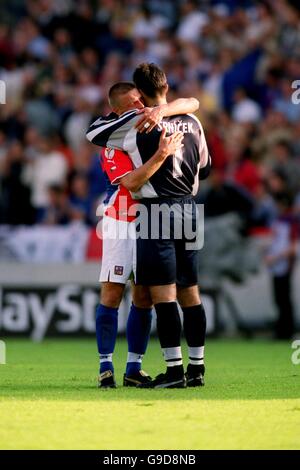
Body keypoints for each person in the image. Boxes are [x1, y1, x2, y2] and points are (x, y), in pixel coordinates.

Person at [87, 63, 211, 389]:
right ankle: (196, 368)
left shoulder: (136, 125)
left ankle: (173, 372)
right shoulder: (194, 122)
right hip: (190, 208)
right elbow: (206, 166)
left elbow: (93, 133)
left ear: (140, 94)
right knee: (191, 292)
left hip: (155, 211)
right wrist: (168, 109)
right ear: (167, 84)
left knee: (161, 295)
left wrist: (157, 116)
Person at [265, 192, 298, 340]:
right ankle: (281, 329)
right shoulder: (279, 220)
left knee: (284, 299)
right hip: (276, 264)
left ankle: (287, 331)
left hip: (284, 264)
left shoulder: (292, 221)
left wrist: (276, 257)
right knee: (278, 298)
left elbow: (293, 246)